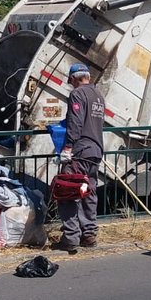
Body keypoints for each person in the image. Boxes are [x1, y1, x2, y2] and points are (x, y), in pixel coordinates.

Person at [57, 61, 105, 252]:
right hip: (95, 151)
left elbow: (75, 122)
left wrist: (68, 147)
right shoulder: (98, 95)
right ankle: (89, 234)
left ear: (73, 79)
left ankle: (71, 238)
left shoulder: (77, 94)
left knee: (68, 191)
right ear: (88, 77)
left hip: (80, 151)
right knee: (89, 192)